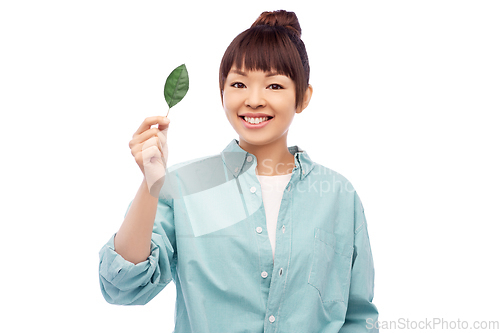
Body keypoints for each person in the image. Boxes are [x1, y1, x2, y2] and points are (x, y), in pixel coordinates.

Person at [99, 9, 379, 333]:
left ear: (302, 97)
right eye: (239, 83)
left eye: (274, 86)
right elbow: (123, 286)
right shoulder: (184, 186)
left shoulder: (337, 195)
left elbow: (359, 318)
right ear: (222, 92)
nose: (254, 100)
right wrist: (151, 183)